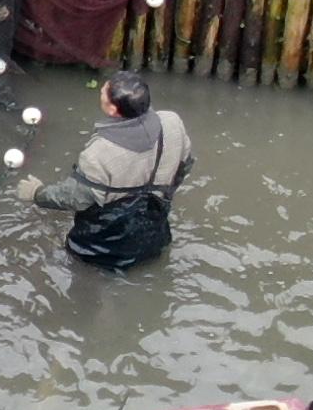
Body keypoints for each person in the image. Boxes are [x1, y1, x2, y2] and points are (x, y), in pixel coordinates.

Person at [16, 71, 192, 269]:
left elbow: (74, 197)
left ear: (113, 110)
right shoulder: (172, 123)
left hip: (103, 247)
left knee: (79, 274)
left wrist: (38, 194)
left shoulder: (99, 154)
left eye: (104, 91)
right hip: (155, 233)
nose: (101, 89)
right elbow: (183, 166)